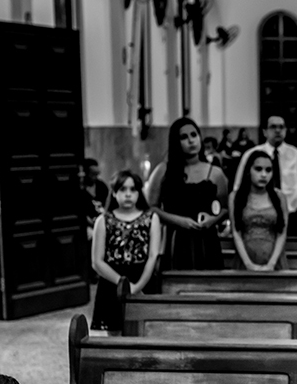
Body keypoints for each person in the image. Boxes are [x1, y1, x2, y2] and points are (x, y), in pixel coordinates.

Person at [146, 117, 229, 270]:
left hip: (206, 239)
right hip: (176, 238)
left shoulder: (215, 173)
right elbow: (151, 208)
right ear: (175, 142)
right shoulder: (163, 170)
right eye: (184, 137)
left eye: (194, 135)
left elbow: (225, 209)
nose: (191, 141)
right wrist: (179, 221)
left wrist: (212, 220)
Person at [90, 171, 161, 333]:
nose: (128, 194)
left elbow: (152, 256)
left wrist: (137, 287)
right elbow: (97, 262)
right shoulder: (103, 221)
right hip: (112, 281)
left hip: (143, 279)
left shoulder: (151, 218)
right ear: (114, 193)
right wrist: (123, 284)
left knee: (143, 331)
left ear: (139, 192)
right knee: (114, 334)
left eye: (133, 189)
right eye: (122, 189)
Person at [234, 115, 297, 237]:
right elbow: (239, 187)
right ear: (264, 131)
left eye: (281, 127)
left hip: (290, 217)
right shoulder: (251, 155)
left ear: (286, 131)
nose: (277, 130)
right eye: (273, 127)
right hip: (257, 216)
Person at [229, 150, 288, 271]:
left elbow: (282, 233)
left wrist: (271, 264)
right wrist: (248, 264)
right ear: (248, 171)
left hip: (274, 258)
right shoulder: (235, 197)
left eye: (268, 170)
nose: (264, 175)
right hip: (245, 258)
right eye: (258, 169)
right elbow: (236, 233)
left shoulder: (279, 197)